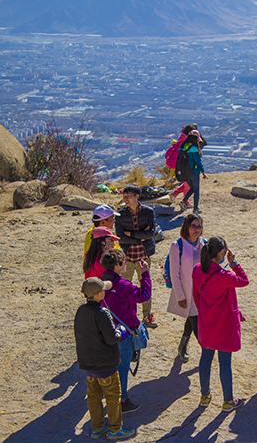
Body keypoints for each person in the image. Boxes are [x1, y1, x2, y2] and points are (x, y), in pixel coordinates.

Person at [74, 277, 135, 440]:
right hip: (106, 365)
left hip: (88, 365)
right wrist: (120, 331)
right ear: (98, 294)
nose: (104, 292)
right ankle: (115, 429)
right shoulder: (102, 313)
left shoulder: (81, 311)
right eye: (102, 290)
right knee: (113, 397)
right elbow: (111, 338)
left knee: (93, 397)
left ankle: (97, 428)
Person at [192, 236, 249, 412]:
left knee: (205, 358)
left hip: (207, 322)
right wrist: (234, 263)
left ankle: (204, 395)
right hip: (224, 325)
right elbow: (244, 280)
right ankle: (228, 401)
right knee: (225, 363)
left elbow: (196, 296)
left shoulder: (197, 269)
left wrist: (204, 312)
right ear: (222, 253)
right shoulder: (224, 276)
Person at [100, 249, 152, 414]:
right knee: (122, 368)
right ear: (116, 265)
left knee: (111, 367)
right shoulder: (123, 286)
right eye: (123, 261)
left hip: (107, 332)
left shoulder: (100, 283)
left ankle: (111, 394)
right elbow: (144, 295)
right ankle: (122, 401)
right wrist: (145, 274)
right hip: (123, 333)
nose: (126, 263)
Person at [116, 185, 158, 328]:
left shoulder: (148, 212)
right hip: (127, 258)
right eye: (124, 196)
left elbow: (151, 234)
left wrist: (131, 234)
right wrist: (140, 237)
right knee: (123, 288)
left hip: (143, 257)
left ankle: (147, 315)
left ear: (137, 197)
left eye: (128, 196)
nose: (125, 199)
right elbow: (120, 237)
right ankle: (123, 315)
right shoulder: (120, 214)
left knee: (145, 286)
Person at [167, 214, 206, 363]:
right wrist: (180, 296)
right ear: (186, 227)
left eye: (199, 226)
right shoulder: (177, 245)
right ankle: (206, 351)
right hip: (187, 292)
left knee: (192, 318)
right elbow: (174, 273)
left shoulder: (204, 243)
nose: (196, 230)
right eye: (193, 226)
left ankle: (182, 346)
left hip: (201, 291)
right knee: (195, 321)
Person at [181, 131, 207, 214]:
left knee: (192, 188)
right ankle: (196, 208)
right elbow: (198, 161)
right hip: (194, 172)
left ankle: (184, 201)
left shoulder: (183, 147)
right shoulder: (194, 148)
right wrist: (203, 171)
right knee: (196, 190)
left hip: (185, 172)